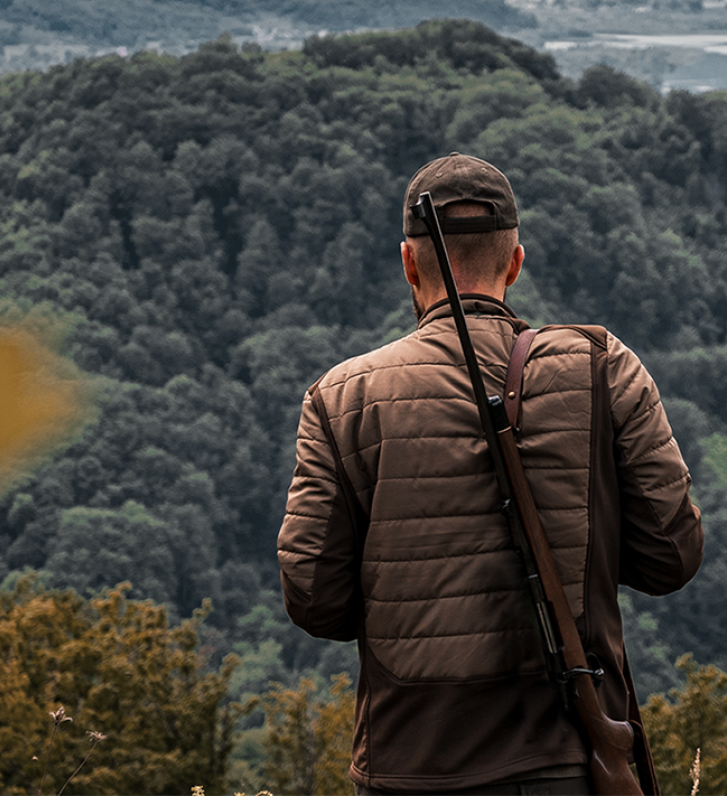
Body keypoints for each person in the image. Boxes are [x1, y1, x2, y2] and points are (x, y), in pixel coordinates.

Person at [278, 152, 704, 796]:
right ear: (515, 262)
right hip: (567, 758)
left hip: (408, 763)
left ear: (408, 262)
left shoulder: (340, 397)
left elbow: (314, 597)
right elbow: (671, 559)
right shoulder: (602, 366)